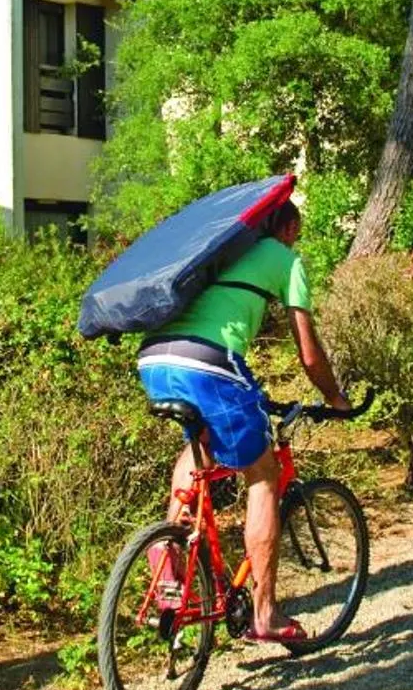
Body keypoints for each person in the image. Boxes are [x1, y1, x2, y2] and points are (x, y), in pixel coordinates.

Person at [136, 197, 350, 649]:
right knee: (263, 476)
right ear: (288, 228)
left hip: (155, 359)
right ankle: (266, 613)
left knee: (200, 446)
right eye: (297, 234)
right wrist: (335, 397)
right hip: (209, 364)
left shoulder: (222, 248)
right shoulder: (284, 258)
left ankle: (170, 547)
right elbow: (309, 355)